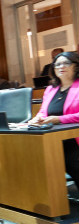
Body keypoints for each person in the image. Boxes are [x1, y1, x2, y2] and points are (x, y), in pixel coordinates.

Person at [29, 51, 79, 188]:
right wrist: (37, 118)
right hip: (53, 139)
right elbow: (44, 111)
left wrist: (60, 119)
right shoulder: (50, 89)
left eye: (66, 63)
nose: (61, 67)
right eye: (57, 64)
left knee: (72, 161)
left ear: (76, 66)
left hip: (74, 139)